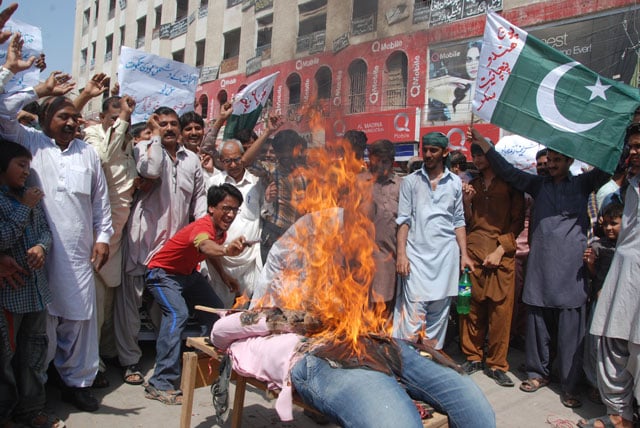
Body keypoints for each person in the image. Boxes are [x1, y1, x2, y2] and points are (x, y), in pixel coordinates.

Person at [214, 207, 496, 428]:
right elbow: (219, 331)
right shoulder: (262, 317)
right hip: (322, 358)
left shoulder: (329, 279)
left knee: (474, 409)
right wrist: (289, 319)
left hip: (377, 344)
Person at [468, 128, 610, 409]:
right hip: (540, 267)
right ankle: (537, 373)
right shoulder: (537, 185)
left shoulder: (583, 184)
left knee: (571, 332)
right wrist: (484, 144)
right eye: (550, 159)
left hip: (572, 270)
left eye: (559, 160)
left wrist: (614, 135)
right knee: (537, 324)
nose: (553, 165)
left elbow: (608, 166)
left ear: (570, 162)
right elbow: (507, 171)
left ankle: (570, 385)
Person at [0, 66, 113, 412]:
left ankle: (77, 382)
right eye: (63, 116)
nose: (71, 123)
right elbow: (4, 112)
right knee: (40, 324)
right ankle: (38, 388)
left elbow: (100, 200)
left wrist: (104, 236)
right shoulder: (30, 142)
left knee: (79, 319)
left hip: (77, 254)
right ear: (45, 117)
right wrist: (38, 89)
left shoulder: (87, 153)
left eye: (76, 119)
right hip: (34, 252)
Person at [115, 107, 207, 386]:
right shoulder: (144, 148)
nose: (168, 128)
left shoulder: (191, 159)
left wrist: (202, 237)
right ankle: (129, 360)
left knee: (164, 307)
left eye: (172, 124)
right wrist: (153, 137)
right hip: (142, 238)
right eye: (162, 124)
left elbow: (199, 199)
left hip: (174, 246)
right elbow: (150, 170)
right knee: (130, 303)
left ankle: (162, 357)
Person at [144, 184, 245, 405]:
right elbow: (206, 246)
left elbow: (209, 254)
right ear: (211, 207)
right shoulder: (202, 227)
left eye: (235, 210)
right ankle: (159, 383)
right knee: (177, 315)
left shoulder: (220, 231)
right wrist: (227, 250)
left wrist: (224, 275)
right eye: (226, 208)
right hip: (163, 275)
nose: (230, 214)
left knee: (218, 315)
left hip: (188, 275)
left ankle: (219, 367)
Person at [0, 141, 64, 428]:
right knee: (6, 358)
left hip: (36, 292)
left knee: (35, 354)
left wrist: (41, 246)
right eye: (20, 166)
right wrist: (24, 207)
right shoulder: (8, 202)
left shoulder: (29, 197)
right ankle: (6, 413)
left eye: (28, 166)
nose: (26, 172)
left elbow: (45, 232)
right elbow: (3, 239)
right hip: (10, 295)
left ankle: (31, 410)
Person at [580, 124, 640, 428]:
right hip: (622, 274)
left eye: (638, 146)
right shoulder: (628, 188)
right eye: (631, 147)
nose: (633, 153)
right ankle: (619, 414)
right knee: (610, 340)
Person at [393, 132, 473, 349]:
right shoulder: (410, 181)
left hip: (446, 257)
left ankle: (430, 361)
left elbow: (459, 221)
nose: (427, 154)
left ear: (444, 152)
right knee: (412, 314)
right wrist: (401, 255)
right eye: (425, 149)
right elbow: (404, 220)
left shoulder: (455, 182)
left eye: (433, 150)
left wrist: (464, 255)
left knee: (439, 315)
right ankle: (406, 361)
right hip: (416, 257)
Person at [82, 94, 138, 388]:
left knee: (108, 310)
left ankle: (104, 357)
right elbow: (103, 160)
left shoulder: (129, 144)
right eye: (115, 116)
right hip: (97, 237)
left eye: (126, 115)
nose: (121, 121)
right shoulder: (94, 136)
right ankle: (91, 367)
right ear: (103, 117)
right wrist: (124, 121)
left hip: (118, 237)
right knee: (94, 307)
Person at [459, 143, 525, 387]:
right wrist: (467, 202)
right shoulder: (472, 186)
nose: (477, 160)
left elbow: (517, 223)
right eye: (474, 155)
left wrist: (500, 250)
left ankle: (497, 364)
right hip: (474, 253)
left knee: (500, 314)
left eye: (481, 155)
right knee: (471, 311)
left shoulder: (510, 185)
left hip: (501, 257)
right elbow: (464, 222)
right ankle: (473, 357)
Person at [206, 140, 265, 306]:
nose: (233, 165)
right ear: (221, 161)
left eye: (237, 159)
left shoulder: (256, 182)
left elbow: (264, 212)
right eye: (227, 161)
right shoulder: (213, 183)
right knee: (219, 309)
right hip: (222, 259)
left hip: (250, 258)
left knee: (247, 310)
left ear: (243, 157)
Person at [359, 139, 401, 317]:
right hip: (359, 259)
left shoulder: (401, 186)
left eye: (385, 161)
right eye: (377, 160)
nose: (380, 165)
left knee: (382, 312)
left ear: (392, 161)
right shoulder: (358, 182)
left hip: (387, 259)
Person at [260, 129, 307, 263]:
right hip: (274, 232)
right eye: (281, 151)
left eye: (289, 150)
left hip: (299, 233)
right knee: (271, 279)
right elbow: (246, 161)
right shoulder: (269, 171)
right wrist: (267, 132)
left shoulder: (306, 173)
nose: (285, 155)